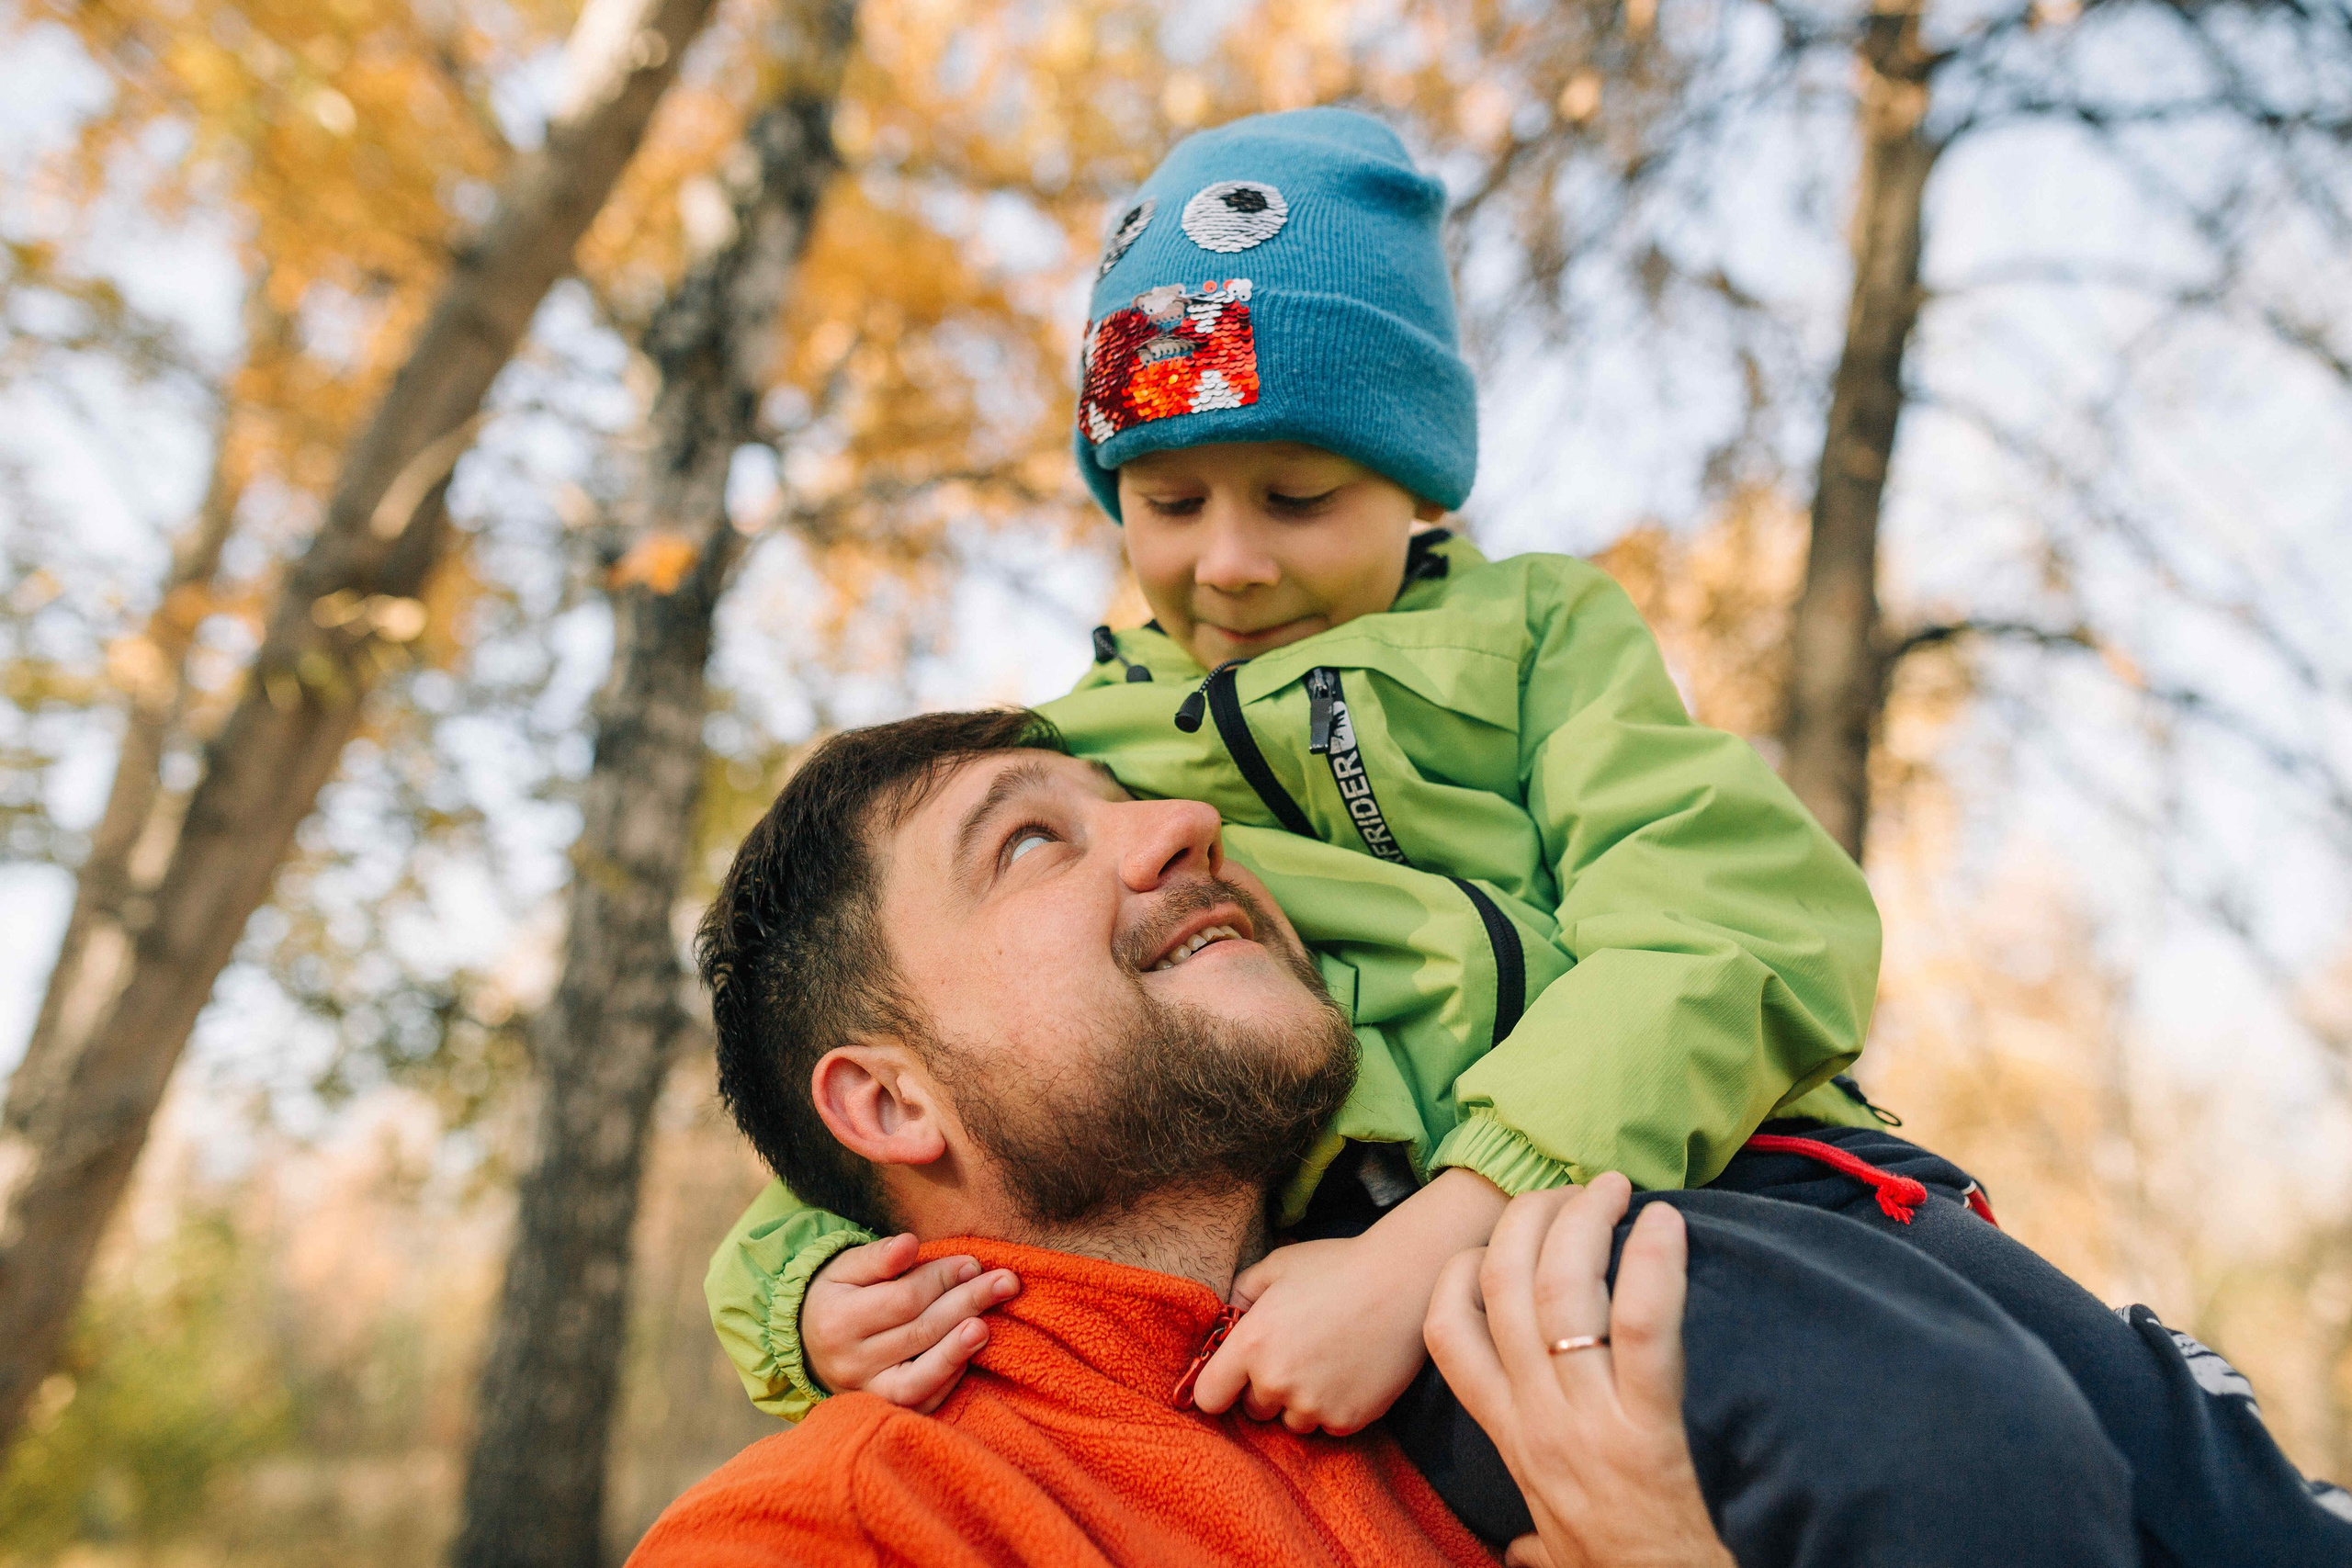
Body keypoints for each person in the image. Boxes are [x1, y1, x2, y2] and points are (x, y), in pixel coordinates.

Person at [708, 102, 1892, 1449]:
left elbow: (1734, 921)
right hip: (1362, 1287)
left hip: (1719, 1179)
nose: (1228, 562)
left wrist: (1449, 1229)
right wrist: (796, 1298)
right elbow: (906, 1067)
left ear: (1417, 483)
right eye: (1168, 503)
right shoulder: (1082, 761)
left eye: (1296, 497)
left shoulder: (1534, 638)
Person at [638, 710, 2151, 1567]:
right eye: (1030, 841)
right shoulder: (829, 1532)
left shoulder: (1520, 1391)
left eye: (1133, 796)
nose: (1177, 825)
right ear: (891, 1103)